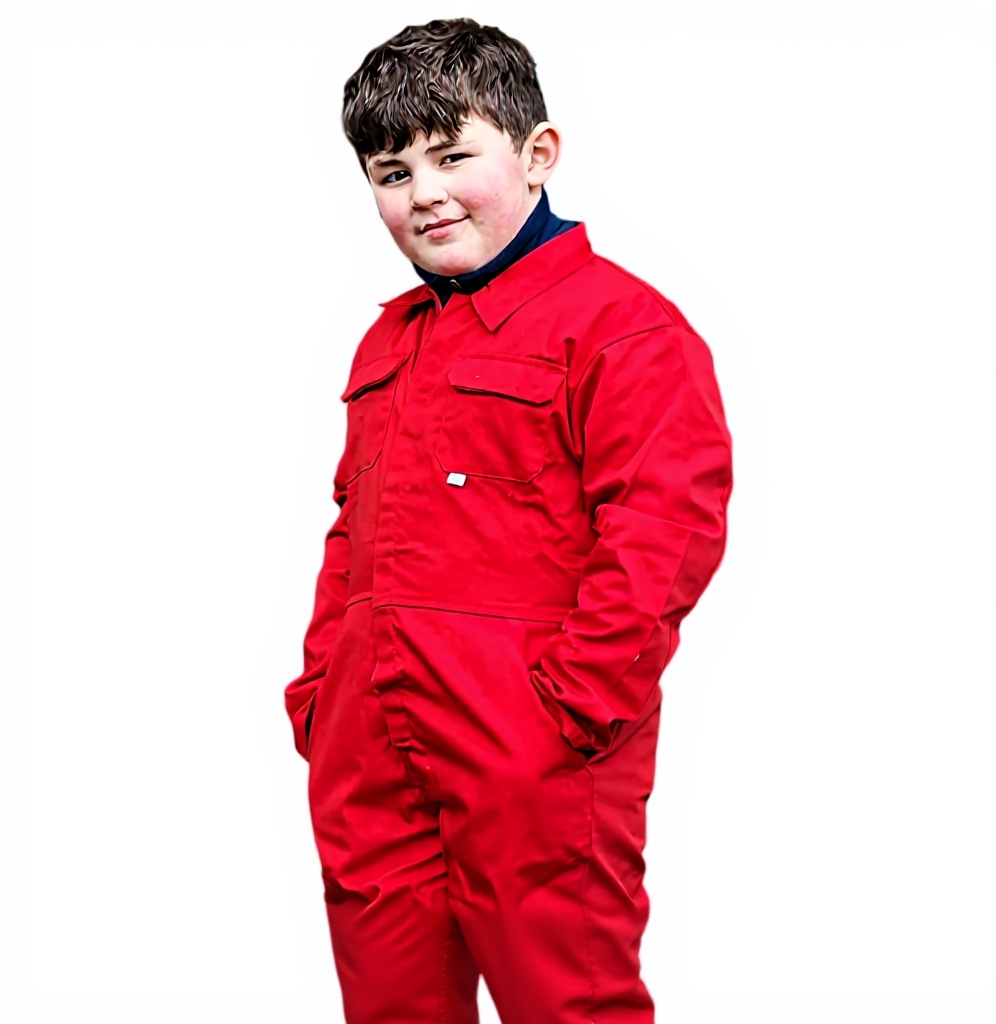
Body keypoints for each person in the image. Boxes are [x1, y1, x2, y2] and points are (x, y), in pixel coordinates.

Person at [283, 17, 733, 1024]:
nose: (423, 192)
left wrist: (573, 709)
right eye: (392, 173)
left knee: (565, 1003)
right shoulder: (388, 341)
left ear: (537, 154)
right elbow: (350, 528)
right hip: (370, 744)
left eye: (452, 156)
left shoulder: (624, 328)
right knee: (390, 1007)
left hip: (530, 748)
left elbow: (665, 527)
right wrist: (322, 688)